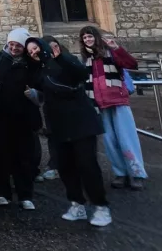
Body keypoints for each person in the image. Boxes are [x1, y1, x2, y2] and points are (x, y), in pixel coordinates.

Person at [27, 36, 111, 227]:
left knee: (87, 165)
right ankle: (77, 204)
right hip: (58, 124)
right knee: (65, 166)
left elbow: (81, 74)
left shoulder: (66, 60)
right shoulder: (39, 70)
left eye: (36, 48)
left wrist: (59, 58)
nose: (34, 52)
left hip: (80, 122)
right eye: (30, 51)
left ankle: (100, 206)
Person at [0, 28, 39, 210]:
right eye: (11, 44)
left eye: (18, 46)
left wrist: (34, 94)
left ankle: (25, 195)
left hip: (22, 116)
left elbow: (40, 85)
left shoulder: (31, 63)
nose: (13, 48)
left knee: (23, 157)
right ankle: (2, 193)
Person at [80, 26, 146, 190]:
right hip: (99, 104)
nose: (88, 39)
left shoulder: (110, 53)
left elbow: (131, 64)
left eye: (89, 36)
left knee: (127, 138)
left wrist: (116, 48)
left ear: (96, 37)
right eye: (84, 38)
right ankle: (120, 173)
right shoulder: (86, 59)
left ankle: (137, 173)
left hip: (117, 101)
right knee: (110, 142)